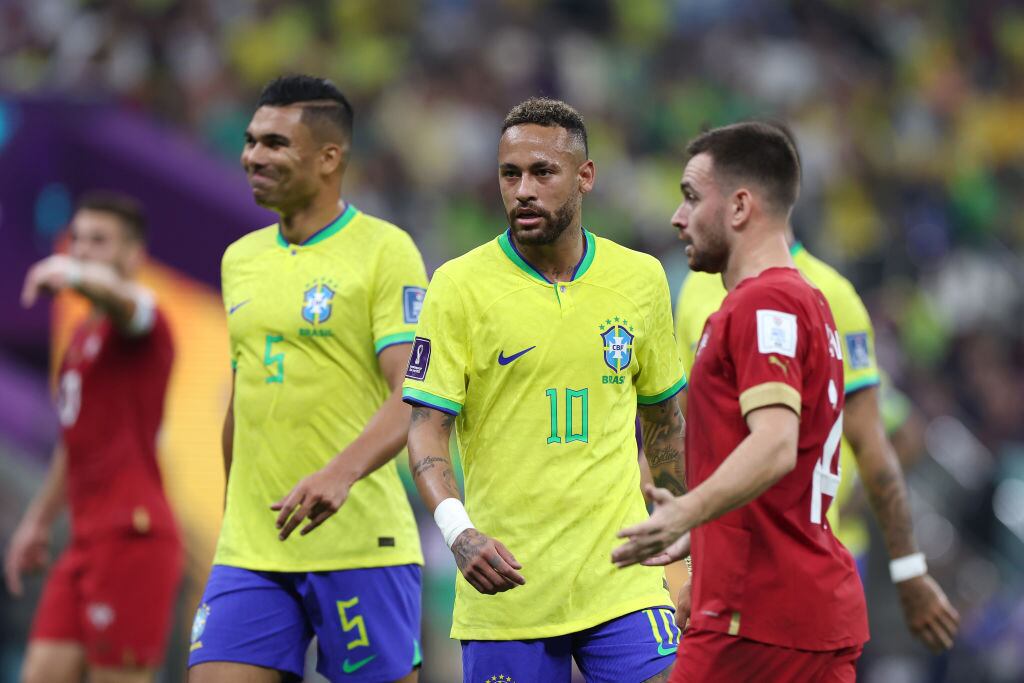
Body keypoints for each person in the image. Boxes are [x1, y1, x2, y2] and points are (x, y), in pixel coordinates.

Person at [403, 97, 688, 683]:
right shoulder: (458, 286)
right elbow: (426, 429)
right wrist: (459, 533)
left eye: (542, 172)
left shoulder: (640, 279)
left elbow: (664, 420)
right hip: (508, 586)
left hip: (622, 582)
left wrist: (679, 513)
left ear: (585, 177)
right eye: (510, 174)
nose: (522, 190)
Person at [673, 124, 959, 653]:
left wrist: (908, 566)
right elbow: (683, 420)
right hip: (723, 556)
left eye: (695, 195)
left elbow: (877, 438)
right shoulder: (695, 287)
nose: (681, 217)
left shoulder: (834, 295)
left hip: (818, 551)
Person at [187, 75, 427, 683]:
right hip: (252, 550)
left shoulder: (384, 251)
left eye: (273, 143)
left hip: (358, 546)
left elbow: (415, 391)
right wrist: (227, 524)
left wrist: (339, 474)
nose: (252, 156)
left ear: (328, 158)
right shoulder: (239, 259)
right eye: (250, 141)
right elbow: (246, 396)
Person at [613, 122, 870, 681]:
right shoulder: (807, 300)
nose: (677, 217)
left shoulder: (763, 304)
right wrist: (702, 559)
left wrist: (686, 510)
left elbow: (776, 446)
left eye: (690, 197)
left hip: (755, 617)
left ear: (739, 207)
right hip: (791, 607)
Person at [6, 192, 183, 683]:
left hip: (133, 535)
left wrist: (78, 277)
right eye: (77, 240)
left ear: (133, 255)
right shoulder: (81, 340)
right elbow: (73, 443)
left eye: (99, 241)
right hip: (83, 539)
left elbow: (130, 302)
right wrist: (37, 522)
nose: (82, 251)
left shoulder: (144, 323)